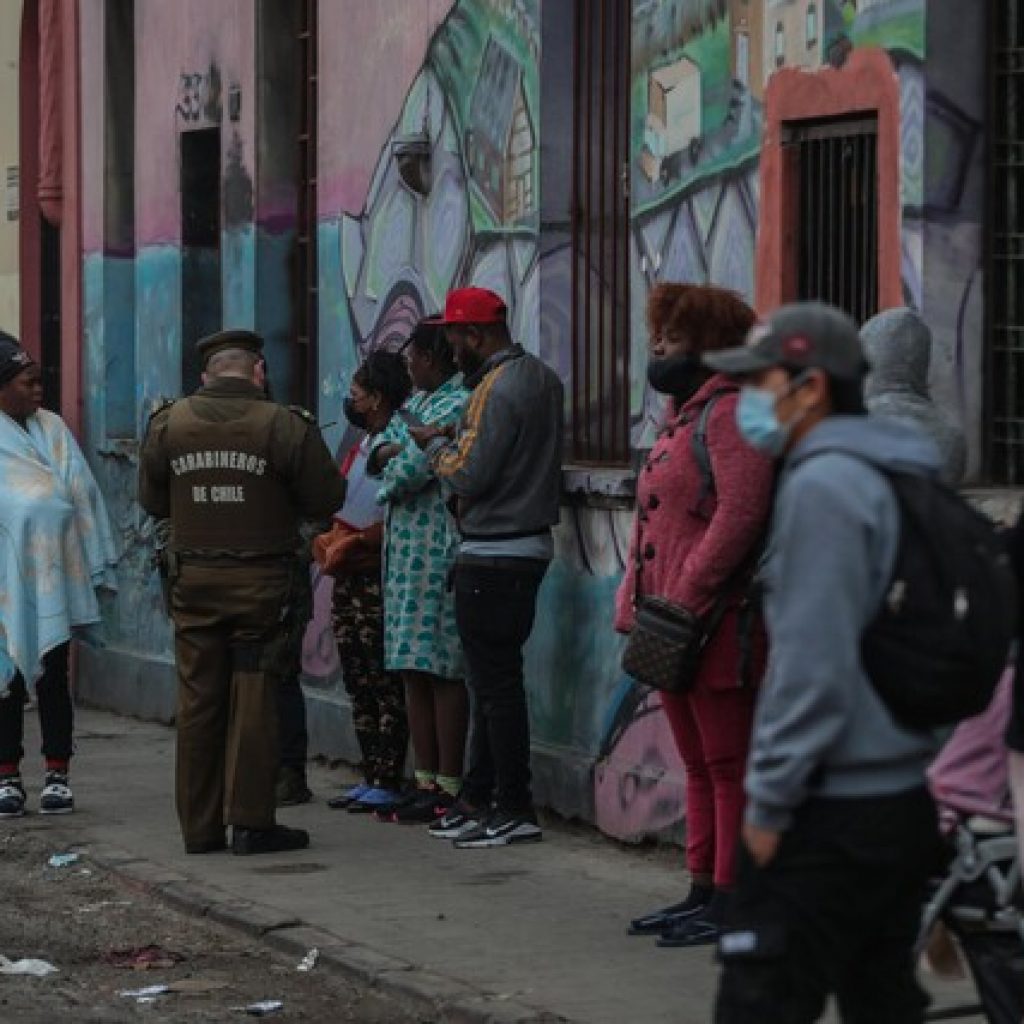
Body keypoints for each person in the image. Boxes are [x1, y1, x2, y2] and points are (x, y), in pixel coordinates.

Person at [703, 303, 944, 1024]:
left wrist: (770, 806)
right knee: (882, 1000)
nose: (748, 400)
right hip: (902, 796)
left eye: (759, 381)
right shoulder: (901, 470)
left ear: (810, 387)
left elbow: (813, 667)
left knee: (760, 1004)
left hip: (828, 808)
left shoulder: (825, 487)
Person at [138, 329, 344, 855]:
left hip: (194, 585)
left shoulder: (168, 424)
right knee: (254, 699)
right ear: (258, 372)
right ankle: (251, 822)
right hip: (262, 588)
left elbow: (152, 501)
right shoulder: (283, 425)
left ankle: (199, 829)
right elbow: (326, 496)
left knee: (198, 700)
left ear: (206, 376)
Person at [614, 284, 775, 947]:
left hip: (718, 623)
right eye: (658, 337)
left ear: (710, 347)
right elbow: (651, 517)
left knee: (728, 763)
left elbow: (741, 514)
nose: (657, 349)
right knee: (698, 764)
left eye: (672, 339)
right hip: (669, 623)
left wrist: (687, 593)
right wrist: (636, 599)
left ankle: (735, 898)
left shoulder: (735, 415)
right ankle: (701, 887)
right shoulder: (681, 416)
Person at [411, 286, 563, 849]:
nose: (450, 350)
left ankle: (512, 804)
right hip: (514, 547)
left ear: (474, 335)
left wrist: (432, 449)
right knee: (488, 680)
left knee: (495, 685)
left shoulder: (497, 389)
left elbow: (469, 475)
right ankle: (479, 796)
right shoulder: (538, 377)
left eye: (453, 337)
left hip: (498, 549)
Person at [0, 332, 118, 818]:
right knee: (5, 679)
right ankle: (6, 777)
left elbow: (79, 491)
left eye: (39, 381)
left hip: (52, 578)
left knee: (52, 677)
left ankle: (57, 773)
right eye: (28, 383)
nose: (38, 391)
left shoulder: (52, 430)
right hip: (4, 583)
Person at [369, 318, 469, 823]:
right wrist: (395, 451)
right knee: (411, 665)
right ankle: (424, 777)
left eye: (412, 361)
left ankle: (448, 782)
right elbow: (378, 445)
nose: (408, 370)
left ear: (431, 358)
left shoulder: (457, 401)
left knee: (441, 667)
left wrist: (392, 464)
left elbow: (408, 470)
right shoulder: (421, 408)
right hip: (404, 558)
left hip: (436, 555)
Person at [324, 350, 412, 813]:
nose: (350, 402)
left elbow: (389, 513)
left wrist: (359, 544)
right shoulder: (364, 444)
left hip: (376, 575)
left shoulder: (395, 442)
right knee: (358, 675)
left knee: (383, 678)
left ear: (376, 398)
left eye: (356, 395)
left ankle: (389, 774)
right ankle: (370, 770)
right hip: (348, 574)